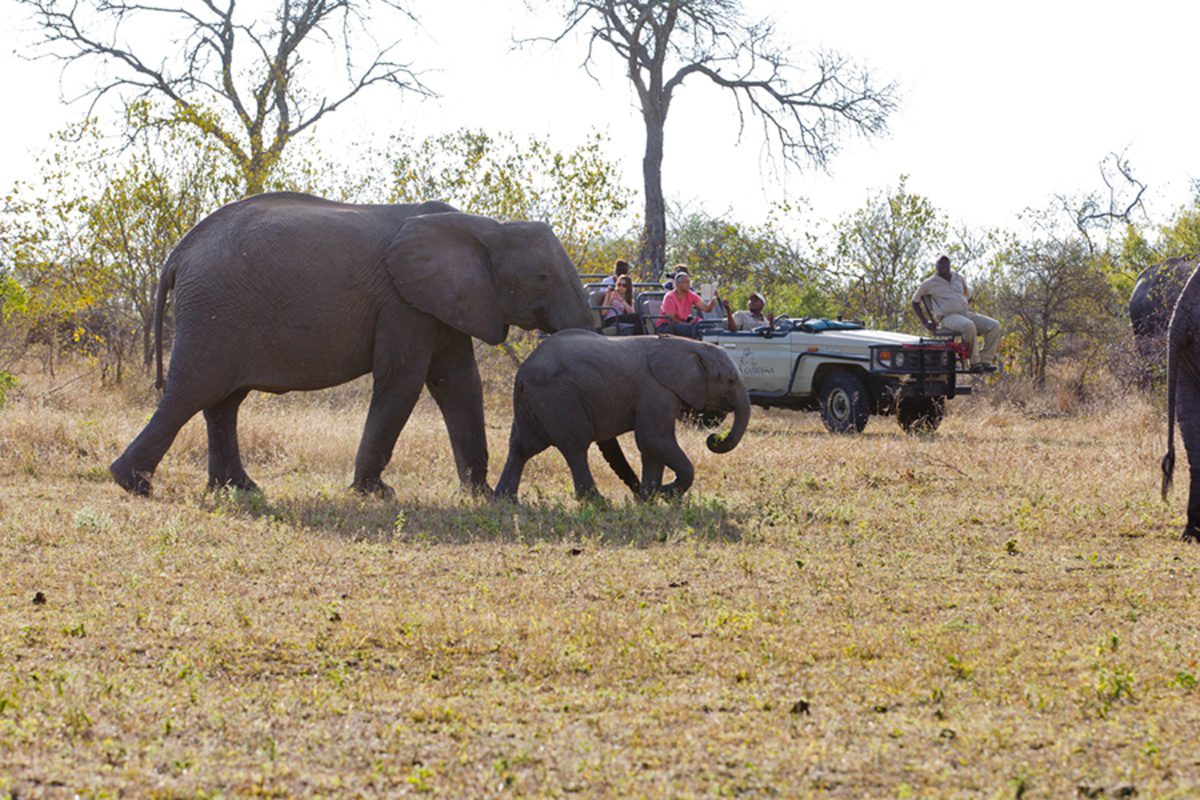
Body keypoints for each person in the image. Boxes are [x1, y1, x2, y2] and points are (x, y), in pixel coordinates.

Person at [911, 255, 1001, 372]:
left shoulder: (958, 277)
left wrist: (961, 303)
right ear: (936, 266)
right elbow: (915, 301)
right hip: (947, 317)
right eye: (941, 264)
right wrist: (925, 322)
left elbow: (967, 296)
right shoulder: (929, 283)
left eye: (946, 263)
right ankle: (974, 363)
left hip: (965, 314)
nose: (944, 266)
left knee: (994, 325)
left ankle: (985, 361)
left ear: (949, 265)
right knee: (968, 326)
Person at [658, 271, 717, 338]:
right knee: (693, 330)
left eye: (689, 282)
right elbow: (671, 319)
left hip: (682, 324)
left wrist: (713, 298)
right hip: (667, 326)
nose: (688, 284)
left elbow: (707, 309)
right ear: (677, 284)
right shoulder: (670, 297)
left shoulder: (690, 294)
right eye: (685, 282)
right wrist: (687, 324)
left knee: (705, 326)